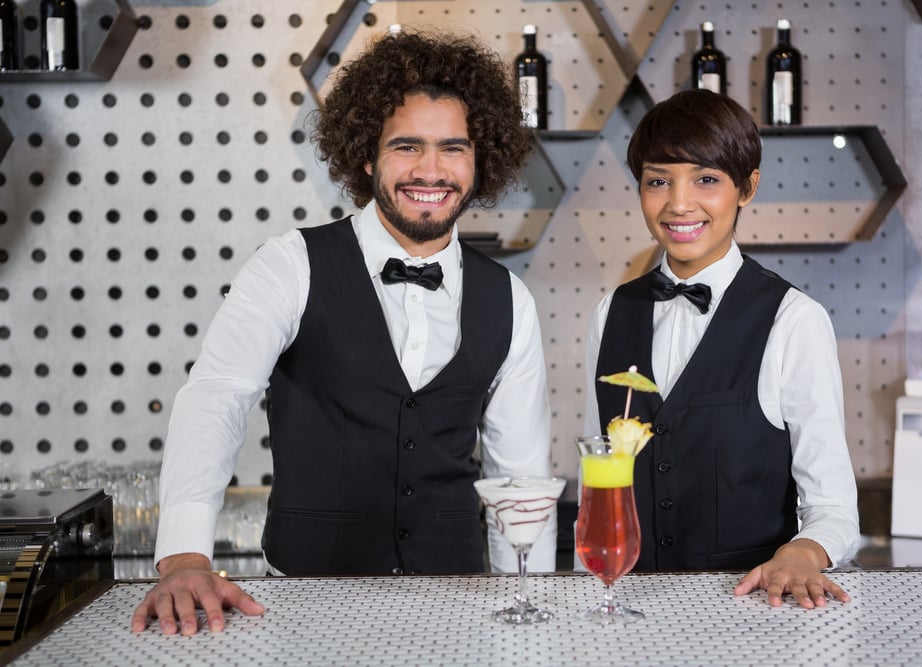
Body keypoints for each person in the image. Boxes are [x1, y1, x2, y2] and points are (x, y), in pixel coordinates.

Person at [131, 29, 555, 636]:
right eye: (406, 146)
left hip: (458, 604)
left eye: (452, 148)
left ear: (479, 159)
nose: (430, 170)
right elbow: (216, 397)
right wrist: (184, 556)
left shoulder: (509, 298)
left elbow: (522, 478)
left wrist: (529, 608)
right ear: (365, 155)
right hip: (305, 602)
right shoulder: (289, 265)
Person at [582, 89, 860, 609]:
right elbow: (599, 476)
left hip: (750, 607)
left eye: (706, 180)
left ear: (746, 188)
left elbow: (833, 505)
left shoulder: (794, 320)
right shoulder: (610, 312)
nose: (678, 203)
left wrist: (803, 552)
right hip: (628, 608)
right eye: (657, 181)